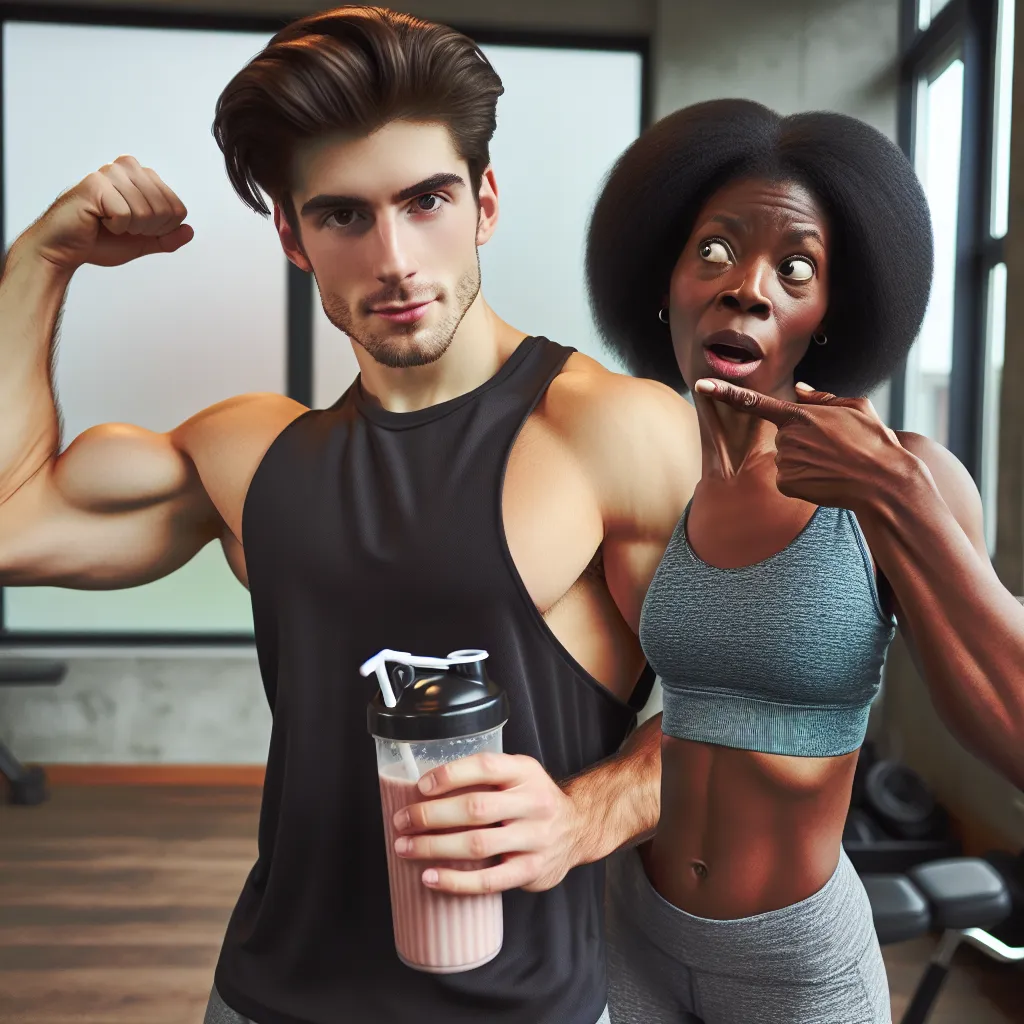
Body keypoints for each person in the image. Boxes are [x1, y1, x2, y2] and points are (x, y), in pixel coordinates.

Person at [0, 7, 703, 1024]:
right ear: (291, 235)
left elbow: (753, 707)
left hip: (523, 1009)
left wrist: (589, 814)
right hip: (261, 1000)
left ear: (485, 201)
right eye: (344, 216)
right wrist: (40, 259)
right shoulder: (251, 456)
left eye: (426, 201)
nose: (396, 258)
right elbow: (14, 521)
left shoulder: (613, 432)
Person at [585, 98, 1024, 1024]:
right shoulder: (648, 477)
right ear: (662, 279)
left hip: (792, 962)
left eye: (796, 267)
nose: (748, 286)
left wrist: (898, 497)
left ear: (826, 313)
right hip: (631, 928)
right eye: (714, 249)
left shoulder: (905, 476)